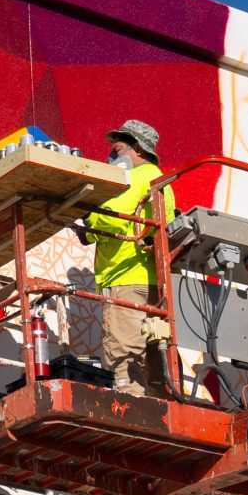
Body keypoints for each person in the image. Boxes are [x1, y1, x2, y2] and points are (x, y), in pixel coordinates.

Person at [71, 119, 175, 393]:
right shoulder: (161, 180)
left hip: (126, 279)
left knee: (125, 361)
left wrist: (87, 218)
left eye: (116, 151)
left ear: (137, 149)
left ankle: (131, 416)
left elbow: (114, 219)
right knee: (154, 367)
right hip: (153, 283)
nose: (111, 158)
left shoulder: (136, 176)